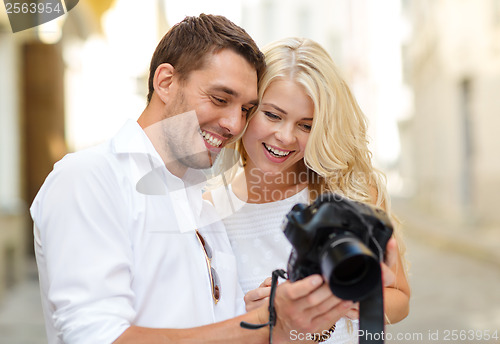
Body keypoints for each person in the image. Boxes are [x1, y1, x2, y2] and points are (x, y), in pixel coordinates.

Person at [30, 16, 355, 344]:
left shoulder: (203, 206)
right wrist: (263, 322)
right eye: (220, 99)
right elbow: (99, 338)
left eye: (246, 109)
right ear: (166, 82)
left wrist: (275, 320)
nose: (233, 124)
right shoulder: (89, 178)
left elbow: (214, 328)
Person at [206, 37, 411, 343]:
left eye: (306, 125)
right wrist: (252, 316)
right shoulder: (211, 209)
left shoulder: (348, 192)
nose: (285, 137)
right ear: (247, 109)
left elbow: (400, 300)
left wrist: (347, 296)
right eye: (273, 115)